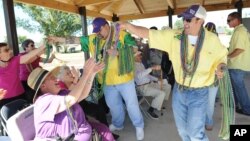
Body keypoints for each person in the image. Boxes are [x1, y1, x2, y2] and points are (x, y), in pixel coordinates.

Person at [119, 5, 228, 141]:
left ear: (200, 21)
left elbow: (221, 58)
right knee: (182, 131)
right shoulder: (174, 36)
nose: (184, 23)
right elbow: (148, 33)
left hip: (199, 93)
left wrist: (221, 67)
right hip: (180, 91)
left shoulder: (212, 40)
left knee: (195, 133)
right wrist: (129, 26)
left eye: (188, 20)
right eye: (184, 19)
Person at [48, 17, 144, 140]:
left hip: (124, 79)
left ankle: (139, 125)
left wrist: (118, 52)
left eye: (100, 30)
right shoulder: (94, 39)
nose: (98, 33)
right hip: (106, 81)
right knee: (113, 105)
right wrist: (57, 39)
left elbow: (135, 48)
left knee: (131, 104)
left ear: (106, 26)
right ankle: (118, 124)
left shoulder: (122, 34)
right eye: (96, 31)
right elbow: (76, 40)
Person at [27, 58, 115, 141]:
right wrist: (85, 74)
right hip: (64, 138)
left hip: (82, 132)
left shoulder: (61, 92)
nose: (57, 79)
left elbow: (83, 94)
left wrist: (91, 74)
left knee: (104, 129)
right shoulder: (43, 101)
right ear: (43, 86)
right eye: (52, 78)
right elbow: (71, 100)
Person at [0, 42, 46, 107]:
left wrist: (44, 45)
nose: (11, 51)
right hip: (4, 99)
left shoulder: (15, 60)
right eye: (6, 50)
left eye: (9, 49)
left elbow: (29, 55)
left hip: (20, 95)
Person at [134, 51, 171, 119]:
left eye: (140, 55)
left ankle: (159, 103)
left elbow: (147, 76)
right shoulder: (133, 66)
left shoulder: (141, 64)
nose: (141, 56)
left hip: (150, 84)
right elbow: (139, 76)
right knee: (161, 93)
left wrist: (157, 79)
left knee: (168, 86)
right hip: (142, 87)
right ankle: (151, 110)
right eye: (139, 55)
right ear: (134, 57)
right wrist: (151, 68)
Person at [227, 11, 250, 116]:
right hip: (238, 65)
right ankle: (236, 105)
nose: (227, 23)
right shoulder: (241, 31)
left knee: (240, 88)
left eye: (229, 20)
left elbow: (240, 49)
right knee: (236, 87)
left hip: (237, 65)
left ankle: (247, 109)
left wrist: (227, 57)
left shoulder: (239, 32)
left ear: (236, 20)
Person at [204, 22, 220, 131]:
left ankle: (207, 121)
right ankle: (208, 122)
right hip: (212, 79)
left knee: (203, 101)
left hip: (204, 79)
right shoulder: (218, 45)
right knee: (210, 101)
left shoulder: (200, 43)